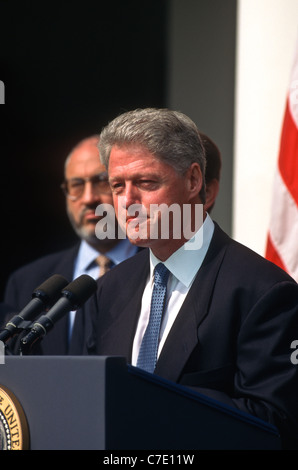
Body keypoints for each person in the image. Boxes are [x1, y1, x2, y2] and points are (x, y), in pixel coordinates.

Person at [75, 108, 298, 449]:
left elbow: (273, 423)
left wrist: (155, 407)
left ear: (194, 181)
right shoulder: (109, 287)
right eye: (117, 186)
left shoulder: (263, 291)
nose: (127, 202)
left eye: (146, 183)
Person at [3, 135, 138, 354]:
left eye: (102, 181)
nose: (88, 198)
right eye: (76, 185)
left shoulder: (158, 270)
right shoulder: (26, 282)